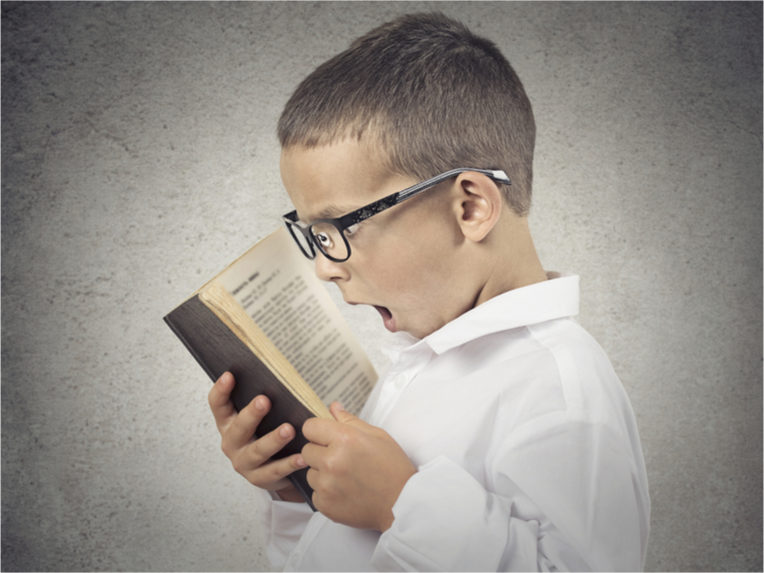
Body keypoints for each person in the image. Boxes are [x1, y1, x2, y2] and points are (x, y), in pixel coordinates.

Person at [207, 12, 650, 571]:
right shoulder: (425, 356)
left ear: (470, 207)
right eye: (311, 234)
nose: (324, 268)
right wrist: (298, 491)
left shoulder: (560, 391)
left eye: (341, 228)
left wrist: (402, 503)